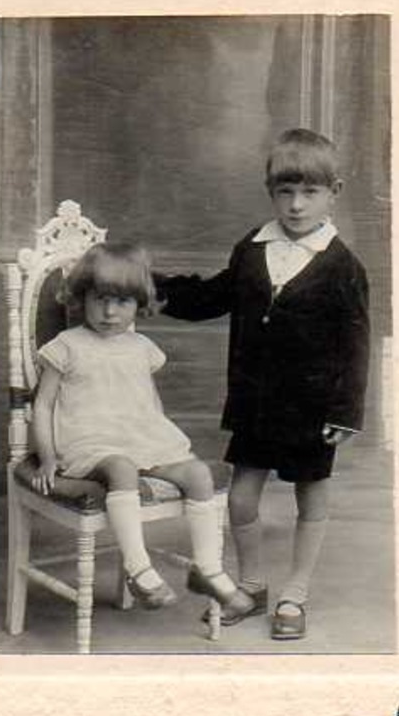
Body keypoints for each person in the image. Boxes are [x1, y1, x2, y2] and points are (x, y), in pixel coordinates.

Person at [156, 129, 370, 640]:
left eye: (310, 193)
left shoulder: (343, 267)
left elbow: (355, 345)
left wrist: (346, 412)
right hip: (255, 403)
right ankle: (252, 585)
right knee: (242, 500)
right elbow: (212, 297)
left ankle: (295, 593)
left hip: (314, 408)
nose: (296, 206)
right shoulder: (253, 248)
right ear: (271, 191)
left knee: (310, 497)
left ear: (334, 191)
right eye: (285, 193)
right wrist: (157, 290)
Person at [31, 241, 252, 615]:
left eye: (122, 302)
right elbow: (43, 404)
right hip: (89, 440)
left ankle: (208, 569)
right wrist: (48, 458)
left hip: (138, 435)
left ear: (139, 304)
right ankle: (139, 568)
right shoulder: (67, 345)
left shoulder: (141, 346)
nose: (110, 311)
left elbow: (145, 400)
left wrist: (159, 440)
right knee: (122, 468)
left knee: (197, 472)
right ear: (81, 297)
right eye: (100, 299)